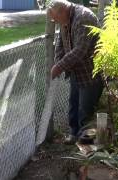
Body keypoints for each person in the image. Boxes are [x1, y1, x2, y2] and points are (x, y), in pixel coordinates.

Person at [47, 0, 104, 144]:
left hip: (90, 72)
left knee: (86, 111)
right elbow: (60, 43)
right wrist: (58, 61)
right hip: (76, 71)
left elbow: (80, 50)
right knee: (73, 104)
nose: (54, 21)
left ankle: (86, 146)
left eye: (55, 18)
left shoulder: (83, 18)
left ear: (63, 11)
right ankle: (74, 135)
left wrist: (59, 67)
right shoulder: (65, 19)